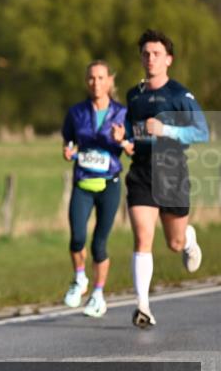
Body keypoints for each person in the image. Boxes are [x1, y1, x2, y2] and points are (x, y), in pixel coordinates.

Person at [112, 30, 208, 329]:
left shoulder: (180, 95)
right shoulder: (134, 95)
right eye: (145, 53)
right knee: (142, 236)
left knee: (174, 243)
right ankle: (142, 305)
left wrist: (167, 131)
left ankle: (188, 239)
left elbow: (202, 132)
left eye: (156, 53)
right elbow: (132, 132)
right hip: (141, 172)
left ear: (168, 59)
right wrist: (123, 139)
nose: (150, 58)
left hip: (172, 171)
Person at [60, 60, 130, 318]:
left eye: (101, 78)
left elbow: (133, 147)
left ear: (110, 80)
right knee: (77, 237)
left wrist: (123, 141)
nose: (96, 83)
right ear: (86, 81)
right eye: (91, 78)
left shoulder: (122, 114)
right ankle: (80, 279)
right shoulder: (76, 113)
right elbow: (68, 140)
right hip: (82, 183)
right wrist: (68, 151)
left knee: (99, 244)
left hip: (109, 184)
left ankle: (98, 295)